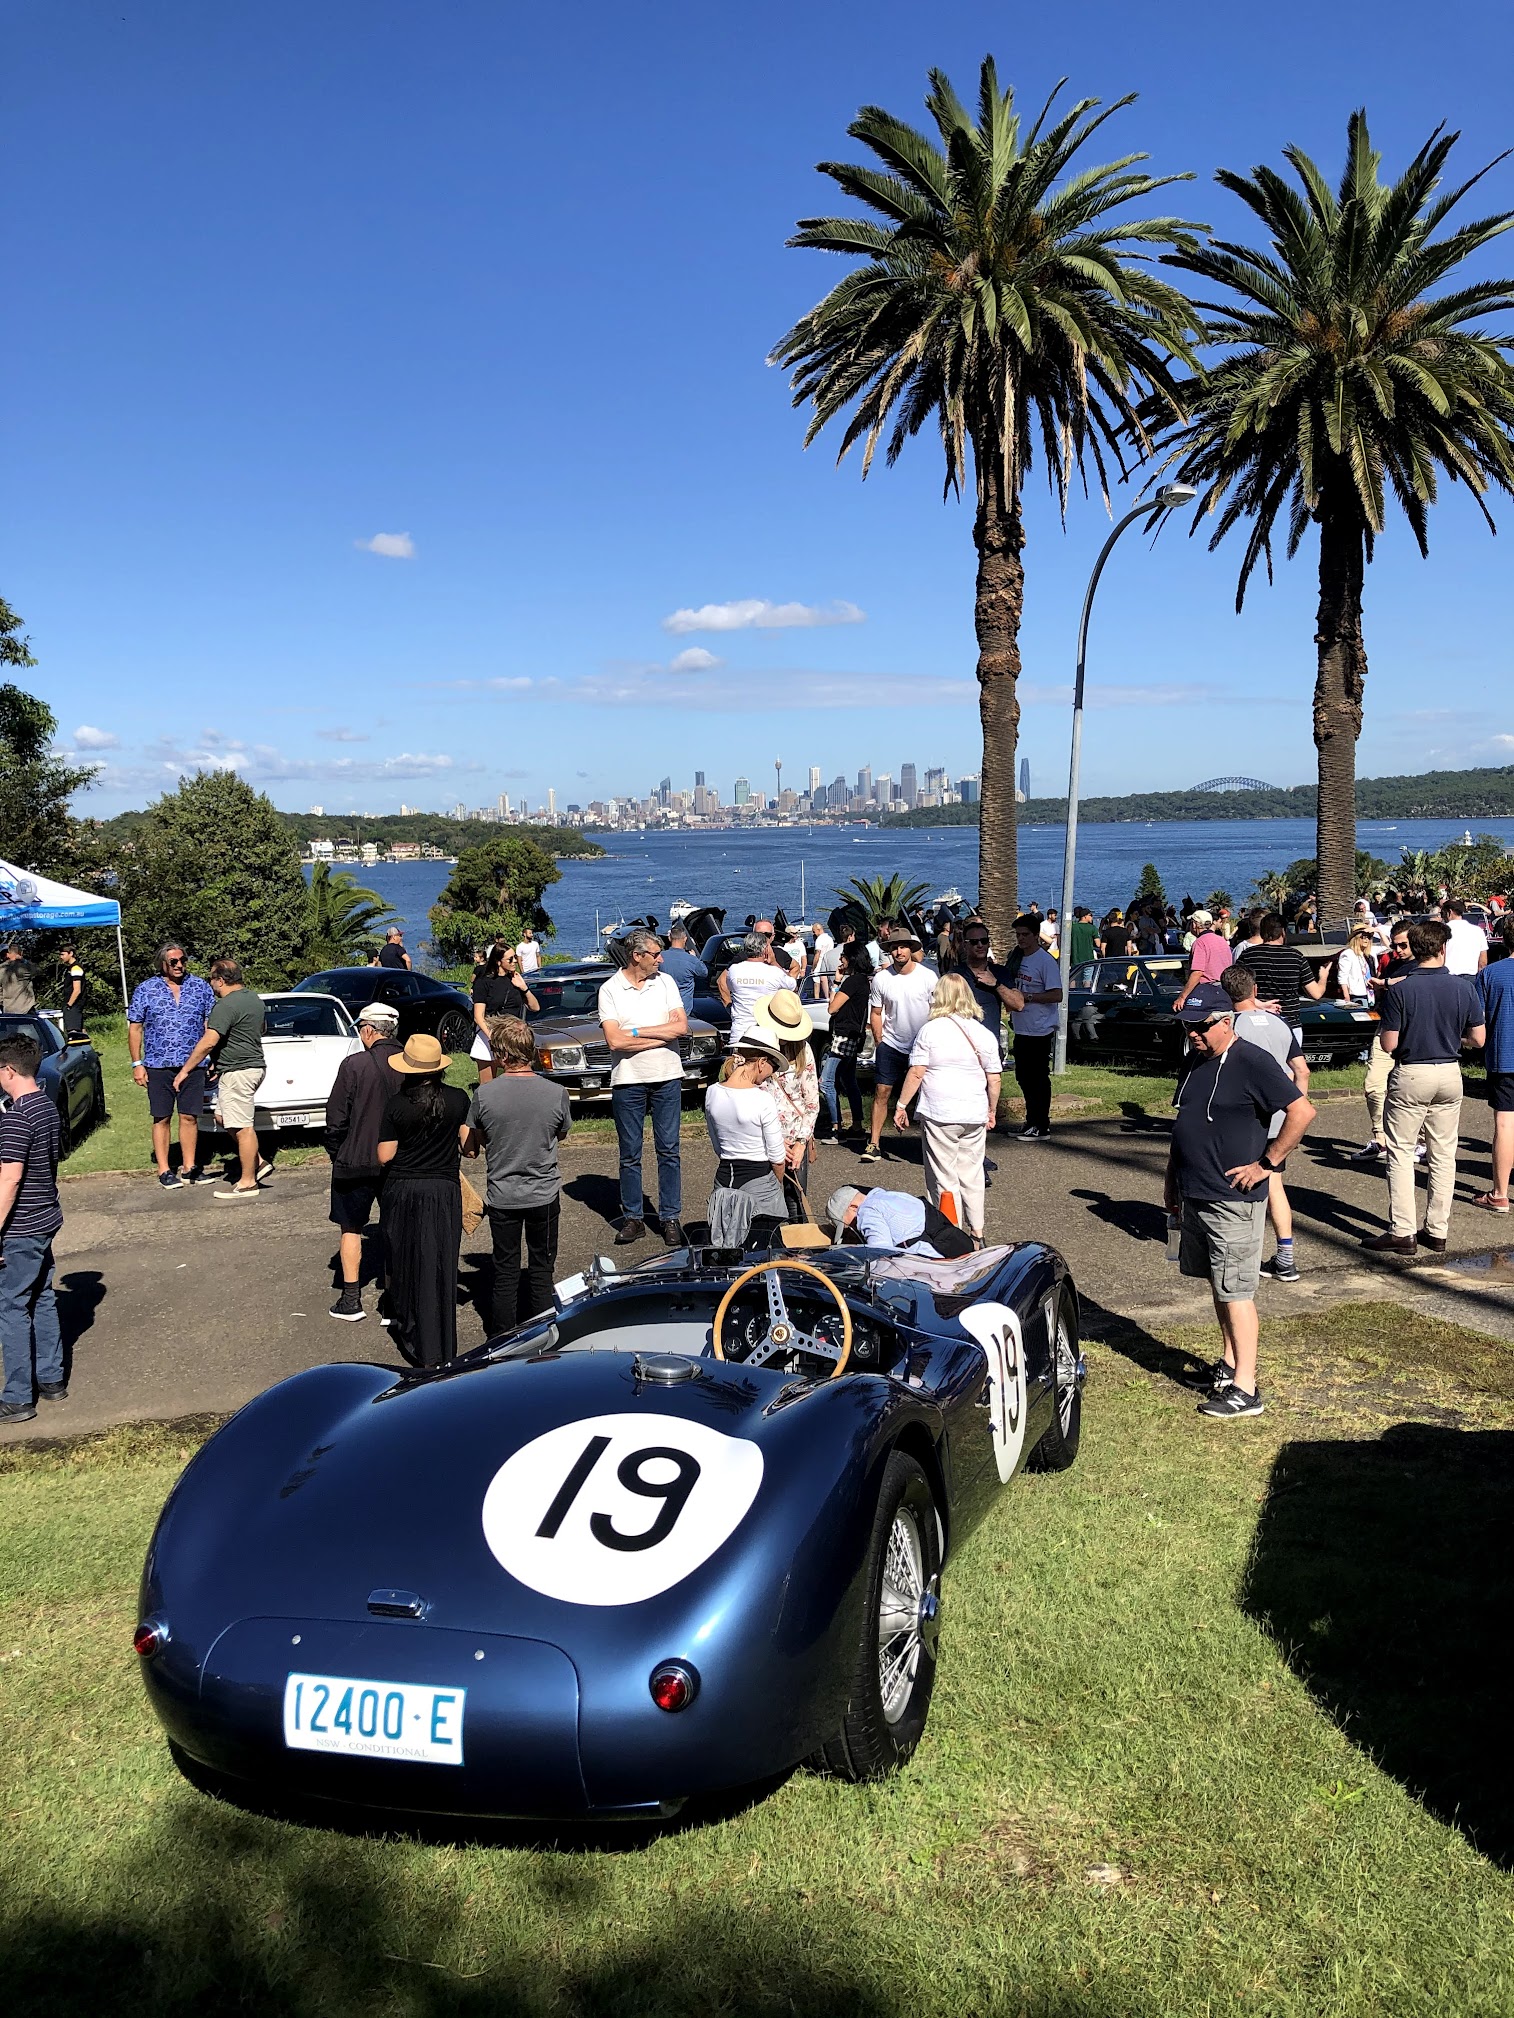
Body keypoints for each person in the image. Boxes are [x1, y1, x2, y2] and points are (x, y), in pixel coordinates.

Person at [1165, 985, 1316, 1420]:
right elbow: (1186, 1123)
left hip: (1234, 1196)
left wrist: (1267, 1163)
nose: (1193, 1033)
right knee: (1218, 1281)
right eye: (1188, 1026)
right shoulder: (1197, 1060)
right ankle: (1229, 1366)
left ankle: (1246, 1389)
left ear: (1226, 1022)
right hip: (1195, 1190)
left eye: (1201, 1025)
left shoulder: (1251, 1060)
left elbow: (1302, 1111)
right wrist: (1172, 1179)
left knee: (1237, 1290)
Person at [1363, 919, 1484, 1256]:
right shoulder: (1463, 988)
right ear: (1442, 948)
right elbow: (1478, 1038)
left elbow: (1388, 1043)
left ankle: (1402, 1230)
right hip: (1450, 1070)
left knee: (1401, 1152)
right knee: (1444, 1153)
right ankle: (1437, 1228)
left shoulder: (1401, 990)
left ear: (1413, 951)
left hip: (1412, 1071)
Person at [464, 1015, 572, 1333]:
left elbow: (474, 1142)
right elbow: (560, 1133)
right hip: (543, 1193)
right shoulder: (555, 1093)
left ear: (501, 1055)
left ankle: (501, 1338)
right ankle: (542, 1337)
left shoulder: (484, 1096)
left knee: (506, 1272)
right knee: (541, 1270)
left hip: (503, 1196)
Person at [376, 1033, 470, 1367]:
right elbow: (468, 1147)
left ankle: (414, 1334)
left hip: (404, 1189)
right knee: (441, 1263)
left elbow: (385, 1155)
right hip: (443, 1189)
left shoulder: (397, 1104)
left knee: (406, 1262)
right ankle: (443, 1346)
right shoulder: (459, 1099)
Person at [893, 972, 1002, 1245]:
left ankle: (949, 1235)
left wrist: (902, 1105)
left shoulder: (930, 1030)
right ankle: (977, 1232)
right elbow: (994, 1077)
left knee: (943, 1177)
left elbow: (917, 1072)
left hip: (940, 1112)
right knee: (972, 1173)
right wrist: (992, 1110)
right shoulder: (983, 1032)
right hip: (974, 1111)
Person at [1220, 965, 1310, 1284]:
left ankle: (1239, 1251)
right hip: (1281, 1120)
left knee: (1238, 1183)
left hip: (1247, 1119)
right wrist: (1295, 1109)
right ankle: (1284, 1255)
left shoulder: (1230, 1026)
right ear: (1255, 990)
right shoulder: (1279, 1023)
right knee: (1273, 1183)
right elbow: (1302, 1071)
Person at [598, 927, 687, 1246]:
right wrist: (657, 1035)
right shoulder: (610, 989)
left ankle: (670, 1217)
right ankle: (634, 1217)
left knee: (669, 1149)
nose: (661, 960)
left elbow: (680, 1028)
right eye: (655, 954)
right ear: (637, 956)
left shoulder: (665, 982)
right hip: (629, 1081)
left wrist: (635, 1032)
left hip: (666, 1077)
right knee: (630, 1152)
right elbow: (613, 1040)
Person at [0, 1031, 66, 1423]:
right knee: (42, 1297)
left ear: (7, 1070)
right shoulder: (45, 1106)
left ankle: (18, 1397)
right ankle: (51, 1379)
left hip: (21, 1228)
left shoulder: (16, 1119)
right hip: (45, 1219)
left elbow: (9, 1180)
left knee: (10, 1307)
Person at [322, 1001, 402, 1321]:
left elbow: (336, 1118)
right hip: (399, 1159)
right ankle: (393, 1300)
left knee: (351, 1227)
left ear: (368, 1030)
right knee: (395, 1226)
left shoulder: (353, 1065)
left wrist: (335, 1150)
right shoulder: (410, 1061)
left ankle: (351, 1298)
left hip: (355, 1158)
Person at [174, 958, 268, 1200]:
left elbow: (209, 1040)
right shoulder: (253, 999)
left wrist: (185, 1070)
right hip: (250, 1067)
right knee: (223, 1116)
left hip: (239, 1071)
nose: (211, 985)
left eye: (211, 979)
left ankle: (248, 1182)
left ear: (221, 980)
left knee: (242, 1127)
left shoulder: (225, 1005)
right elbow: (262, 1028)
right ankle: (257, 1161)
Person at [128, 942, 216, 1190]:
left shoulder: (200, 987)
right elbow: (135, 1027)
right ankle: (165, 1169)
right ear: (163, 964)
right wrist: (137, 1063)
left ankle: (190, 1167)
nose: (179, 965)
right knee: (162, 1116)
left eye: (182, 960)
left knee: (189, 1116)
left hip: (193, 1064)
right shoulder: (146, 989)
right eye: (173, 961)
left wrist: (210, 1059)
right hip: (158, 1064)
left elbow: (210, 1026)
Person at [703, 1031, 787, 1244]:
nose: (772, 1074)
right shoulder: (763, 1099)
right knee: (765, 1250)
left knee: (724, 1250)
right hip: (759, 1181)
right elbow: (777, 1157)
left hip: (724, 1179)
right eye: (773, 1068)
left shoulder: (712, 1092)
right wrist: (776, 1186)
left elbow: (717, 1144)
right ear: (761, 1062)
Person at [863, 932, 938, 1163]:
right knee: (881, 1092)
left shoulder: (928, 976)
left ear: (911, 949)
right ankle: (874, 1143)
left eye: (904, 947)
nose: (899, 952)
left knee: (928, 1095)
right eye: (895, 948)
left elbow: (937, 1012)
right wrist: (880, 1042)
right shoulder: (882, 978)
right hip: (892, 1045)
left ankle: (930, 1146)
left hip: (922, 1046)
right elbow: (875, 1013)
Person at [1353, 920, 1418, 1160]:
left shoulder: (1422, 964)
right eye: (1395, 945)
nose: (1398, 950)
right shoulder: (1391, 964)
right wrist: (1379, 989)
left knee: (1412, 1088)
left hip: (1413, 1031)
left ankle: (1417, 1141)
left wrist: (1386, 983)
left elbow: (1415, 980)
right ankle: (1380, 1139)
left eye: (1404, 945)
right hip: (1386, 1027)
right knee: (1374, 1085)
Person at [1004, 915, 1063, 1143]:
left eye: (1025, 935)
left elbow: (1056, 994)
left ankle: (1041, 1124)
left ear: (1036, 935)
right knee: (1023, 1077)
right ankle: (1030, 1121)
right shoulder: (1016, 957)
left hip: (1039, 1029)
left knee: (1037, 1078)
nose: (1021, 939)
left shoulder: (1045, 961)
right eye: (1018, 935)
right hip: (1021, 1027)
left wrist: (1028, 997)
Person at [759, 991, 819, 1199]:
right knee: (765, 1205)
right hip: (762, 1138)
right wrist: (774, 1141)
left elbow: (812, 1103)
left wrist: (802, 1142)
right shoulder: (754, 1048)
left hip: (795, 1139)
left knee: (796, 1203)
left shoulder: (803, 1050)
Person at [1474, 914, 1514, 1212]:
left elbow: (1477, 1020)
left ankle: (1500, 1193)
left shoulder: (1490, 975)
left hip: (1504, 1056)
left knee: (1504, 1122)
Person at [1237, 912, 1326, 1038]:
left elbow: (1236, 988)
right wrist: (1323, 976)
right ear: (1283, 932)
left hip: (1257, 1022)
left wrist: (1257, 1002)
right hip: (1290, 1024)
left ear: (1262, 932)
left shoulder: (1248, 955)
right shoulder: (1296, 957)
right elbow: (1316, 994)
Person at [825, 1183, 975, 1258]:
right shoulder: (890, 1196)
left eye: (846, 1223)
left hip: (938, 1258)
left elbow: (880, 1254)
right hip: (960, 1243)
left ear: (853, 1207)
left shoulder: (866, 1211)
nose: (852, 1228)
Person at [817, 942, 872, 1140]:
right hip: (853, 1036)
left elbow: (832, 1008)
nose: (840, 960)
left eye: (843, 957)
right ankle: (857, 1125)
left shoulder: (852, 982)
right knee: (849, 1080)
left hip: (843, 1037)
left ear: (852, 959)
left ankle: (836, 1127)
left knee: (826, 1082)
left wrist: (836, 983)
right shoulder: (863, 981)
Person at [471, 945, 539, 1084]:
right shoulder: (483, 982)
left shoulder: (514, 979)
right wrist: (495, 1039)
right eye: (510, 959)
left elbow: (535, 1007)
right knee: (488, 1085)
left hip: (513, 1037)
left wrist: (524, 988)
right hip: (489, 1036)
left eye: (514, 957)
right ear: (498, 961)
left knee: (515, 1081)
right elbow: (478, 1016)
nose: (515, 961)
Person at [718, 930, 796, 1045]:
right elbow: (793, 987)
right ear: (765, 950)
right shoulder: (774, 972)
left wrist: (729, 1006)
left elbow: (725, 984)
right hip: (766, 1035)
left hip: (739, 1034)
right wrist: (774, 962)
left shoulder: (734, 970)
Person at [1173, 911, 1233, 1007]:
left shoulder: (1200, 943)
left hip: (1207, 991)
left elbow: (1197, 972)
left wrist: (1182, 997)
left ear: (1195, 924)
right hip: (1225, 989)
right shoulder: (1221, 940)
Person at [659, 924, 708, 1015]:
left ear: (670, 938)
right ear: (685, 939)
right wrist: (695, 958)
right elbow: (704, 973)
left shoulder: (660, 957)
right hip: (683, 1007)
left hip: (664, 1005)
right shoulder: (691, 959)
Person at [1442, 899, 1489, 977]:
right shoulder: (1478, 931)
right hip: (1471, 977)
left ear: (1449, 912)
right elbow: (1483, 962)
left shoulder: (1442, 930)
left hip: (1448, 976)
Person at [1332, 925, 1376, 1003]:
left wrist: (1378, 931)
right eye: (1363, 937)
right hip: (1356, 995)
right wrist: (1346, 996)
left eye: (1368, 937)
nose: (1366, 940)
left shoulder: (1367, 955)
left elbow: (1387, 947)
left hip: (1369, 994)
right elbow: (1342, 977)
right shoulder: (1348, 954)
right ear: (1356, 938)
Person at [56, 944, 86, 1039]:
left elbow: (77, 990)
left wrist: (69, 1005)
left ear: (71, 953)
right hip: (73, 1005)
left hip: (74, 1005)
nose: (61, 957)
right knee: (80, 1030)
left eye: (63, 954)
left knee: (74, 1033)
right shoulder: (70, 968)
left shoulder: (76, 968)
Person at [0, 945, 38, 1014]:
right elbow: (37, 970)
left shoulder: (2, 969)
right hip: (25, 1007)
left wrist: (2, 1002)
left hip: (8, 1008)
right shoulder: (24, 967)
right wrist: (24, 960)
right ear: (21, 953)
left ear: (8, 954)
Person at [810, 920, 837, 1000]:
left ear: (818, 930)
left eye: (814, 931)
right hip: (828, 962)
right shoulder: (830, 939)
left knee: (816, 983)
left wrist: (813, 967)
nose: (813, 934)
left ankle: (816, 999)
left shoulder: (819, 940)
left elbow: (817, 954)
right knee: (829, 983)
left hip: (820, 963)